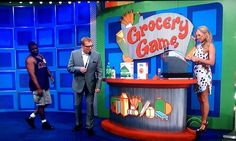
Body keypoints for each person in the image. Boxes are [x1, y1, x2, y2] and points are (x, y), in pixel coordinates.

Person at [67, 37, 102, 136]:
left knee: (90, 106)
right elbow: (69, 68)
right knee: (77, 105)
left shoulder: (97, 55)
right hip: (78, 84)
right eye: (87, 46)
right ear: (82, 46)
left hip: (91, 85)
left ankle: (89, 127)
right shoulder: (74, 54)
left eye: (91, 46)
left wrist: (98, 86)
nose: (90, 48)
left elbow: (100, 72)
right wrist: (79, 69)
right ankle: (78, 124)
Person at [186, 26, 215, 132]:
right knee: (200, 100)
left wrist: (198, 59)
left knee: (204, 99)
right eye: (196, 35)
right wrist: (191, 43)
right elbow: (188, 56)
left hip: (205, 75)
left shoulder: (210, 46)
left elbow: (212, 62)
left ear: (205, 34)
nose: (197, 37)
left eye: (199, 35)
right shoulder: (197, 46)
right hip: (197, 75)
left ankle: (204, 123)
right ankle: (203, 121)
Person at [25, 41, 54, 130]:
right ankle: (44, 123)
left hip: (45, 84)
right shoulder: (29, 60)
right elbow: (32, 75)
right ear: (29, 50)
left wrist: (50, 75)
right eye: (32, 49)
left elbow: (45, 67)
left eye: (36, 48)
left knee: (47, 103)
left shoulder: (41, 56)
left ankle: (31, 117)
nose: (35, 50)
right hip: (37, 86)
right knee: (41, 105)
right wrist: (38, 88)